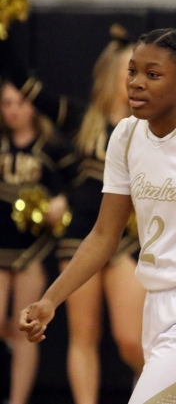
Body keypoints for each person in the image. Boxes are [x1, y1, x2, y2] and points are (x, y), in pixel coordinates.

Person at [18, 28, 176, 404]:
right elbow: (104, 234)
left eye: (152, 74)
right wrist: (51, 300)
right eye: (132, 71)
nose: (136, 83)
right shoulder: (126, 136)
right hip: (158, 305)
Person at [1, 26, 146, 404]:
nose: (137, 79)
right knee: (83, 337)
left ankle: (158, 394)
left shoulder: (146, 127)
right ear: (112, 73)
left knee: (132, 339)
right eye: (130, 70)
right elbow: (27, 86)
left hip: (124, 237)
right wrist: (3, 35)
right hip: (80, 235)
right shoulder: (84, 118)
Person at [0, 80, 77, 404]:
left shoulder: (52, 148)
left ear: (33, 105)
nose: (15, 110)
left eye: (21, 102)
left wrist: (61, 204)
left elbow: (77, 187)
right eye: (7, 103)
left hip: (33, 251)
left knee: (22, 330)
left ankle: (18, 401)